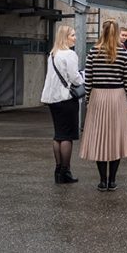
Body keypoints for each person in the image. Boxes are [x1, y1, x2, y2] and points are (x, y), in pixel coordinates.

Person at [80, 19, 127, 191]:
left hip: (98, 96)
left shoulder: (94, 51)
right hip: (117, 96)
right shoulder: (123, 52)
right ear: (117, 32)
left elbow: (88, 78)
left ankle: (102, 180)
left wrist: (89, 98)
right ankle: (112, 180)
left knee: (99, 138)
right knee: (115, 138)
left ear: (102, 31)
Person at [41, 24, 83, 183]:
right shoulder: (70, 54)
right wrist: (82, 77)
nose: (75, 38)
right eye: (72, 35)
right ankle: (65, 172)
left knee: (58, 135)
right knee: (67, 136)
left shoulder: (53, 54)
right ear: (65, 37)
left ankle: (58, 170)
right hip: (66, 98)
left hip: (53, 98)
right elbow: (75, 78)